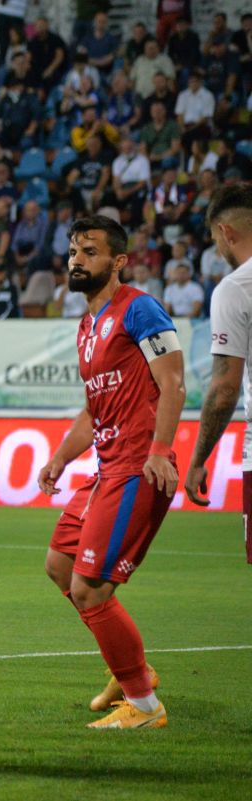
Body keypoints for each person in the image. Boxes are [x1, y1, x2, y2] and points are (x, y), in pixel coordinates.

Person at [37, 214, 184, 729]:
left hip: (138, 465)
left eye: (91, 252)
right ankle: (132, 670)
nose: (78, 260)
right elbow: (91, 410)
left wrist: (162, 450)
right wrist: (59, 458)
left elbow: (174, 382)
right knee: (59, 565)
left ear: (118, 261)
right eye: (74, 251)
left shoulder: (140, 308)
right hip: (105, 465)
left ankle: (144, 707)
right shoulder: (86, 325)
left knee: (90, 589)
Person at [185, 183, 252, 566]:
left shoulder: (236, 288)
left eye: (215, 240)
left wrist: (198, 459)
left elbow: (225, 387)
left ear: (227, 233)